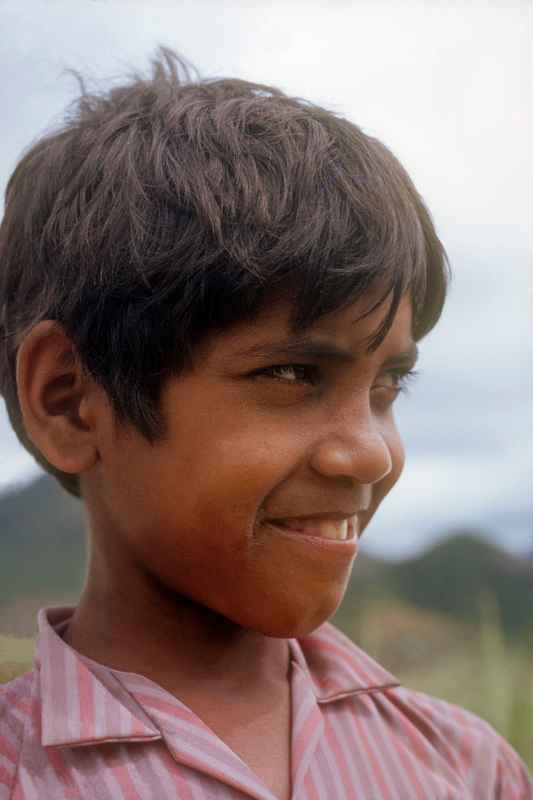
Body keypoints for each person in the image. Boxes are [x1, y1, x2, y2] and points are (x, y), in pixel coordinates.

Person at [0, 48, 531, 800]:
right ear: (66, 400)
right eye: (290, 374)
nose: (368, 453)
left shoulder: (465, 767)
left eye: (387, 385)